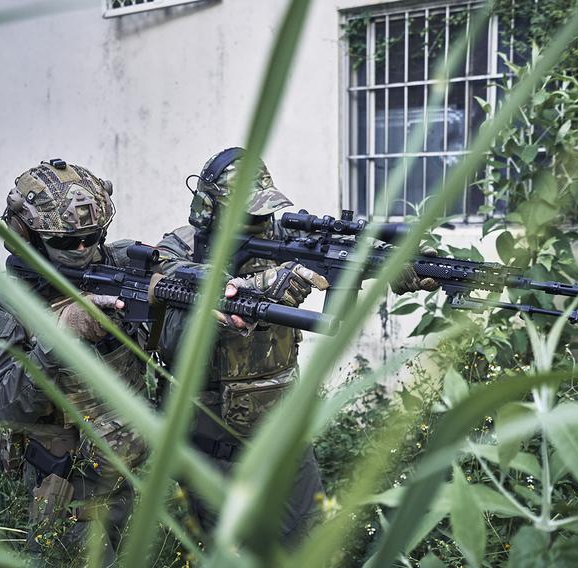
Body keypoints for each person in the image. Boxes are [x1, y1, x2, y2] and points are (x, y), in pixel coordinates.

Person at [156, 147, 437, 546]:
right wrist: (262, 287)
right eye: (248, 214)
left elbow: (342, 267)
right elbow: (171, 336)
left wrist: (397, 264)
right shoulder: (175, 253)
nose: (261, 222)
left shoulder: (289, 238)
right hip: (212, 448)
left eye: (264, 210)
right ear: (211, 209)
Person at [0, 158, 147, 566]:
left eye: (91, 236)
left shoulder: (119, 267)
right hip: (63, 487)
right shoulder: (0, 305)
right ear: (26, 236)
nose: (83, 249)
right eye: (67, 242)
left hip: (122, 471)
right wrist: (61, 335)